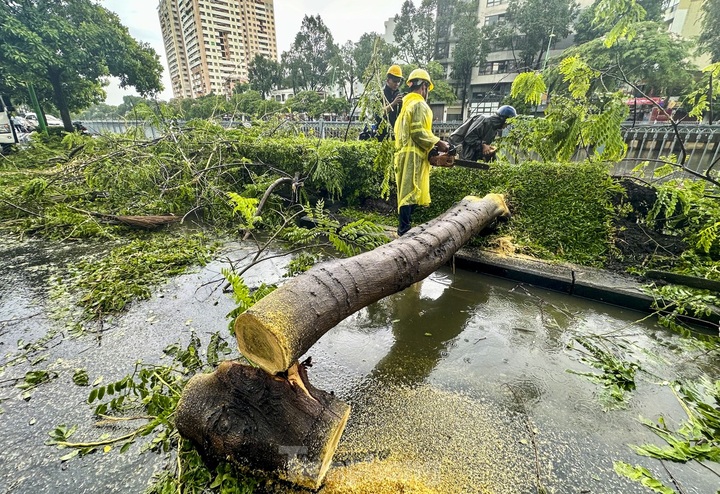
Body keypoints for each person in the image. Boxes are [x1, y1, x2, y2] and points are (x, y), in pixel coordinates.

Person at [393, 68, 450, 236]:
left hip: (404, 154)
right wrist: (438, 143)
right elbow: (418, 131)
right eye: (427, 88)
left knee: (405, 193)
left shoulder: (406, 105)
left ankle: (403, 229)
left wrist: (431, 149)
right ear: (424, 86)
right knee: (410, 194)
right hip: (414, 156)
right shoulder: (418, 104)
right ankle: (404, 231)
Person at [449, 105, 517, 162]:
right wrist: (483, 145)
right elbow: (469, 137)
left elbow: (480, 145)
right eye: (507, 123)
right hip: (459, 145)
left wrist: (488, 150)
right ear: (503, 119)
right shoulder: (485, 120)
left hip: (470, 150)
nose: (507, 126)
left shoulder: (494, 129)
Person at [359, 65, 404, 141]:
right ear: (388, 80)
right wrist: (393, 103)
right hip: (380, 135)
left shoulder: (398, 95)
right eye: (394, 81)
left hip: (394, 134)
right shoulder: (380, 95)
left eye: (398, 81)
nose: (396, 84)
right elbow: (379, 114)